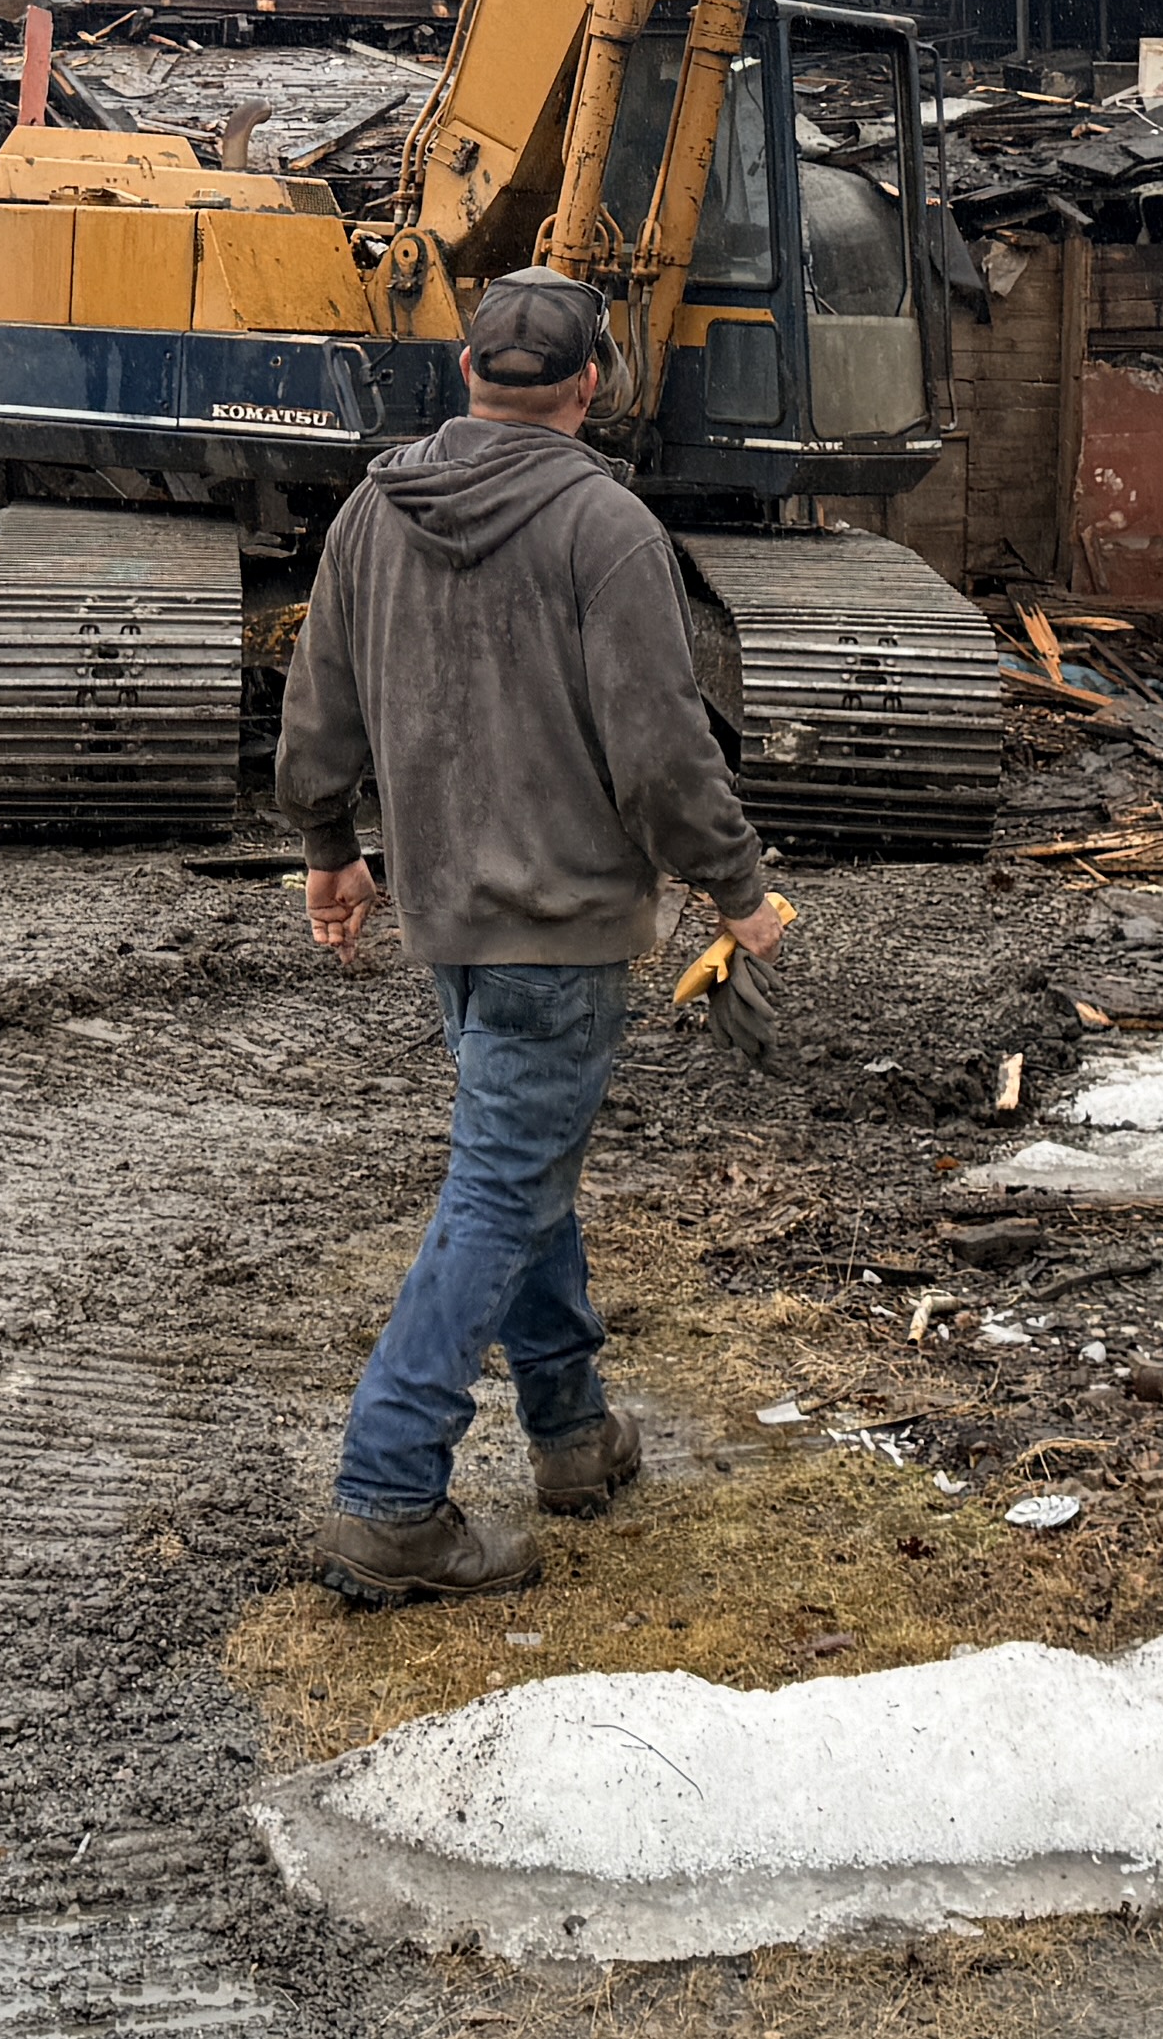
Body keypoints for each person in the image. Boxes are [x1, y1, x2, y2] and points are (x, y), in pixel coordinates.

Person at [272, 264, 784, 1602]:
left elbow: (316, 703)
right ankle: (390, 1494)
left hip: (448, 910)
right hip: (560, 921)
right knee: (502, 1187)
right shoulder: (605, 527)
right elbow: (660, 749)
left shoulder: (374, 511)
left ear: (464, 372)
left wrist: (332, 852)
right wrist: (738, 888)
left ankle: (571, 1436)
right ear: (591, 385)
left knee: (521, 1162)